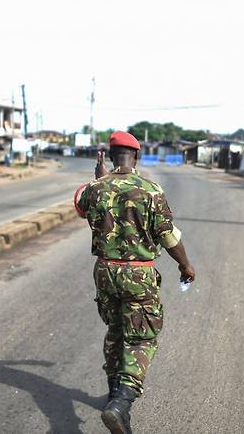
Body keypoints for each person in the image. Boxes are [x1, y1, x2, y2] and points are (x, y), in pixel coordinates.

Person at [75, 131, 195, 434]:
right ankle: (121, 402)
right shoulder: (151, 190)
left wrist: (99, 179)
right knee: (142, 337)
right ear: (137, 156)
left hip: (104, 272)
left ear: (111, 156)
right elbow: (168, 236)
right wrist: (185, 264)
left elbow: (80, 207)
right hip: (138, 274)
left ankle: (115, 395)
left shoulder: (96, 188)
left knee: (115, 329)